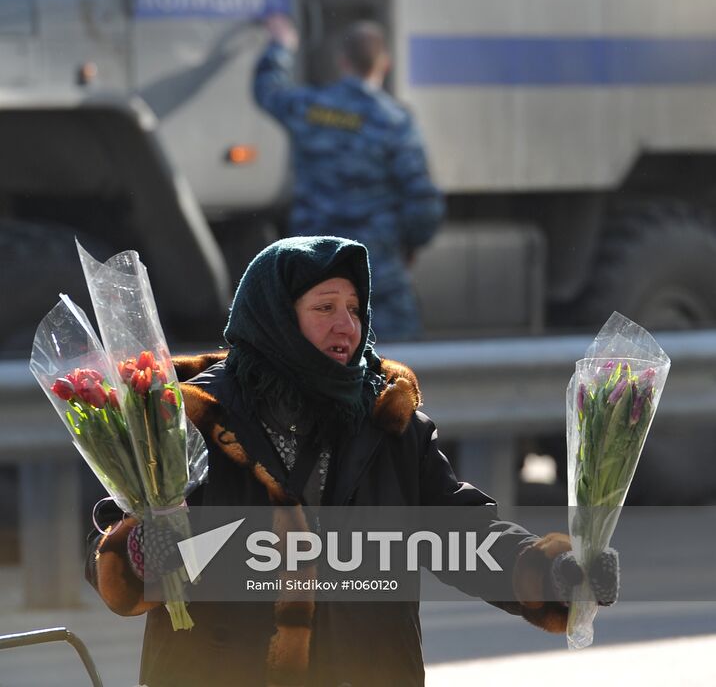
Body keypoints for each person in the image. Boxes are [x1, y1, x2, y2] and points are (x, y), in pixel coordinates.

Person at [87, 235, 618, 687]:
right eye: (324, 308)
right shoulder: (190, 417)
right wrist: (138, 552)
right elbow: (112, 555)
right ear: (274, 316)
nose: (346, 325)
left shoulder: (389, 421)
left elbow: (462, 535)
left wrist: (553, 575)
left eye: (355, 310)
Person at [253, 14, 444, 339]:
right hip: (375, 271)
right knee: (400, 366)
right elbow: (423, 202)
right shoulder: (394, 121)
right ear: (384, 65)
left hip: (313, 267)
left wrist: (281, 45)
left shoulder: (310, 108)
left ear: (343, 62)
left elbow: (268, 89)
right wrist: (409, 243)